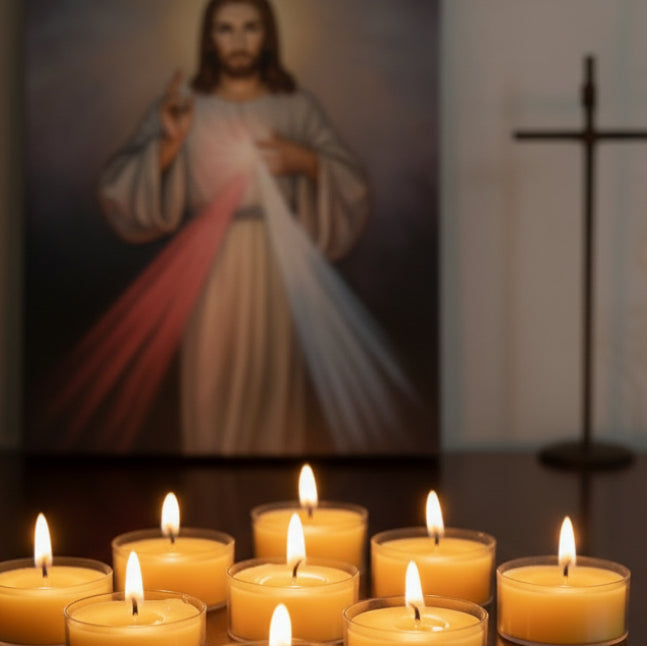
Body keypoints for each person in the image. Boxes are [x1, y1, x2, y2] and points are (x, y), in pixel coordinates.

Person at [77, 0, 413, 455]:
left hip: (279, 263)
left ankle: (274, 508)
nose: (238, 41)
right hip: (207, 264)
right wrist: (169, 146)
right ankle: (213, 505)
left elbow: (351, 186)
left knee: (272, 384)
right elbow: (117, 189)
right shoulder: (182, 108)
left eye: (250, 28)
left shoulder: (295, 108)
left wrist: (309, 162)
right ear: (209, 39)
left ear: (268, 34)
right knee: (211, 386)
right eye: (226, 29)